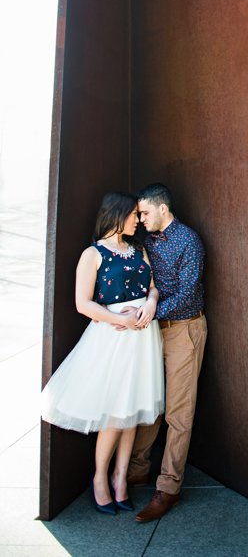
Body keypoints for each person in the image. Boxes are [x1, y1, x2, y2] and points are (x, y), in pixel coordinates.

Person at [41, 191, 165, 514]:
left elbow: (152, 285)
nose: (138, 220)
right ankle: (100, 479)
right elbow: (83, 304)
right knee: (115, 414)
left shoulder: (138, 249)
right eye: (133, 215)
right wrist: (118, 318)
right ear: (117, 215)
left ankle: (120, 478)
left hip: (142, 336)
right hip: (113, 338)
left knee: (134, 409)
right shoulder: (92, 255)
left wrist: (150, 303)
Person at [126, 183, 207, 523]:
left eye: (144, 212)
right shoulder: (145, 241)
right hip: (151, 332)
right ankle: (137, 470)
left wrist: (149, 313)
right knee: (149, 402)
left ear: (163, 209)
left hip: (183, 331)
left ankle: (168, 489)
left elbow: (188, 295)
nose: (140, 218)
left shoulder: (188, 241)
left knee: (178, 412)